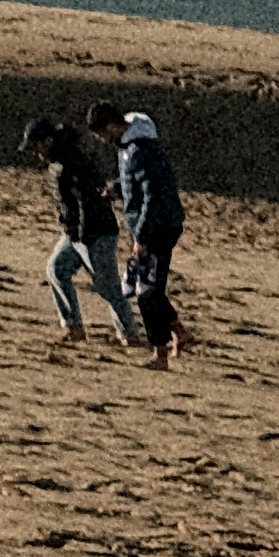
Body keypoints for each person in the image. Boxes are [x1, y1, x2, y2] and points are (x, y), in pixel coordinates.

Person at [19, 111, 129, 345]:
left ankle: (130, 335)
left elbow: (86, 202)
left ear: (48, 141)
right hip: (77, 233)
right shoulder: (61, 161)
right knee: (56, 269)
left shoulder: (71, 162)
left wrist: (82, 236)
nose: (37, 154)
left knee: (108, 288)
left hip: (95, 233)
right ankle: (73, 327)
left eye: (37, 147)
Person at [97, 102, 184, 363]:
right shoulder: (129, 147)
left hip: (159, 227)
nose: (102, 141)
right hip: (154, 225)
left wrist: (142, 238)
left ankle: (160, 354)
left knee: (146, 292)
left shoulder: (141, 150)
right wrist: (115, 188)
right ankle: (179, 333)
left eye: (102, 134)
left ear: (112, 125)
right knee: (151, 290)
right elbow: (135, 184)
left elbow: (153, 196)